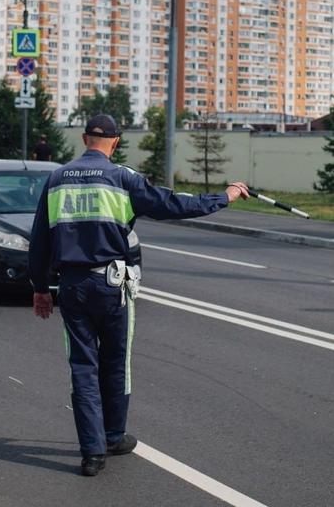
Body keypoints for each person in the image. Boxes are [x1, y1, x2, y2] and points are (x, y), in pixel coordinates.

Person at [28, 114, 249, 477]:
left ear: (85, 139)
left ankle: (91, 454)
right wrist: (223, 196)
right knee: (115, 364)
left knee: (82, 369)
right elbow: (175, 204)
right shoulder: (122, 179)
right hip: (112, 287)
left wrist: (39, 288)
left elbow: (40, 240)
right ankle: (113, 436)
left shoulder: (55, 180)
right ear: (115, 143)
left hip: (71, 286)